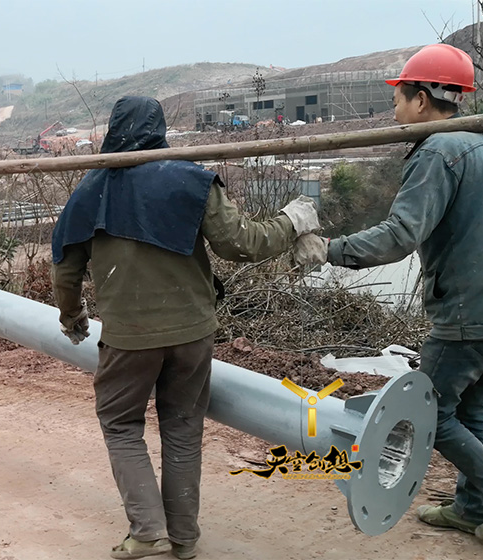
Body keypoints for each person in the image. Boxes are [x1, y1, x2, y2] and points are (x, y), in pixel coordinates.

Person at [50, 96, 319, 560]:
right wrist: (291, 222)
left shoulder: (90, 190)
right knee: (181, 428)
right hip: (193, 334)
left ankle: (147, 531)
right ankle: (185, 540)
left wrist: (72, 317)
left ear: (113, 130)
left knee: (120, 424)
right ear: (159, 130)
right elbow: (241, 244)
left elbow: (65, 271)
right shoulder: (190, 181)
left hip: (128, 338)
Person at [294, 43, 483, 546]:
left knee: (430, 409)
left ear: (422, 99)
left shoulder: (437, 150)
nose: (394, 108)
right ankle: (475, 508)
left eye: (399, 96)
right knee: (471, 409)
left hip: (467, 310)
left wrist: (328, 249)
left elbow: (400, 235)